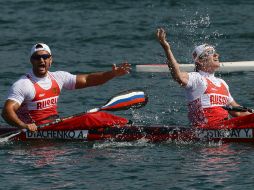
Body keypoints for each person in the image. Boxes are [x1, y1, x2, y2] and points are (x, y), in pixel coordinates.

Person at [2, 43, 131, 132]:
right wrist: (23, 126)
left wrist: (112, 74)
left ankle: (126, 125)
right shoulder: (24, 84)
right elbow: (7, 111)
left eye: (45, 57)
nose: (41, 60)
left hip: (55, 125)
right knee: (88, 118)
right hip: (37, 129)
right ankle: (126, 128)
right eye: (37, 57)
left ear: (51, 60)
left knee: (96, 115)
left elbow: (88, 80)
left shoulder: (58, 77)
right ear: (32, 61)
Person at [156, 28, 250, 127]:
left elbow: (238, 112)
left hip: (224, 129)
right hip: (204, 132)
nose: (216, 55)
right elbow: (178, 76)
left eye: (215, 52)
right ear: (200, 61)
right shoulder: (197, 78)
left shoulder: (223, 83)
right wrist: (167, 49)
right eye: (210, 53)